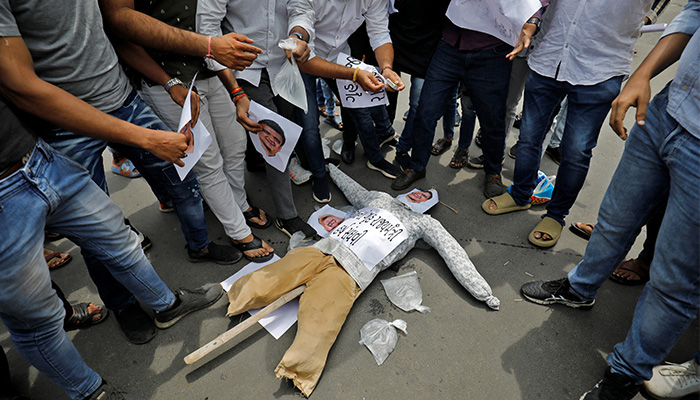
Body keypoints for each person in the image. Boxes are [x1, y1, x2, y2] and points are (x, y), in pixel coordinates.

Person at [0, 0, 239, 344]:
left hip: (126, 100)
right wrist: (145, 138)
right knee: (97, 234)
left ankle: (199, 246)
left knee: (182, 179)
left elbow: (116, 27)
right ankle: (124, 305)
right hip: (66, 126)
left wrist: (167, 79)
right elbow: (18, 84)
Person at [519, 2, 700, 398]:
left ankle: (625, 374)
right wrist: (644, 73)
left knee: (675, 277)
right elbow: (695, 12)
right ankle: (580, 289)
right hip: (668, 110)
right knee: (616, 217)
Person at [0, 97, 223, 400]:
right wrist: (145, 137)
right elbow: (28, 88)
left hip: (39, 159)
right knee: (35, 317)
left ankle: (166, 305)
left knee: (119, 239)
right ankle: (92, 393)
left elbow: (20, 83)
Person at [225, 164, 499, 397]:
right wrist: (331, 169)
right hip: (321, 248)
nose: (419, 195)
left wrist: (483, 291)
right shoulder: (379, 198)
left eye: (426, 196)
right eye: (419, 191)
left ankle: (298, 371)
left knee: (320, 322)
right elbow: (353, 189)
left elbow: (453, 253)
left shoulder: (425, 225)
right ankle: (236, 296)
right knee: (270, 278)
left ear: (427, 205)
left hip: (351, 272)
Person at [100, 0, 276, 263]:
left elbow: (210, 31)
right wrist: (169, 82)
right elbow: (120, 30)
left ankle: (239, 205)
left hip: (210, 69)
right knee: (208, 161)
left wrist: (235, 89)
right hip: (166, 78)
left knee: (235, 144)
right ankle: (238, 231)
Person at [482, 0, 654, 248]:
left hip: (600, 69)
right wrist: (533, 18)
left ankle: (556, 216)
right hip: (549, 56)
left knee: (575, 151)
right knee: (529, 138)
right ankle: (521, 194)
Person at [391, 3, 544, 196]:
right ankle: (416, 166)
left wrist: (531, 23)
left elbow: (535, 5)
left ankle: (493, 173)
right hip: (449, 45)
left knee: (493, 119)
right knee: (426, 111)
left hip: (493, 51)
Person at [197, 0, 318, 238]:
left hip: (284, 66)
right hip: (244, 70)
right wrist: (235, 90)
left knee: (284, 125)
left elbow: (302, 7)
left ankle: (255, 162)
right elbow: (207, 34)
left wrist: (298, 35)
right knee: (275, 141)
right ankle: (288, 216)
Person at [295, 0, 406, 200]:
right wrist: (354, 75)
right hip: (305, 60)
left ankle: (376, 158)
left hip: (339, 56)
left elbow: (379, 33)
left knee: (361, 109)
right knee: (309, 123)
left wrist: (387, 68)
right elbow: (305, 57)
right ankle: (320, 175)